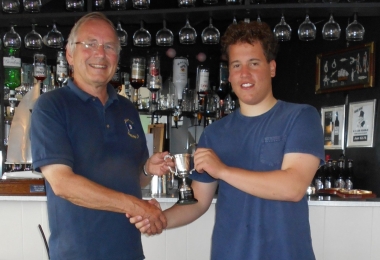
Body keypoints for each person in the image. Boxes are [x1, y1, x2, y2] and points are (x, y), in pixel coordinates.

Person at [130, 21, 325, 260]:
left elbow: (293, 187)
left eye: (254, 63)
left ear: (271, 68)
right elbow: (198, 202)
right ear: (229, 75)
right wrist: (160, 220)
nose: (245, 74)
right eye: (236, 65)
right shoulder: (215, 133)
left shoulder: (301, 117)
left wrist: (222, 170)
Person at [30, 12, 172, 260]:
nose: (100, 53)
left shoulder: (127, 109)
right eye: (90, 44)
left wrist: (148, 169)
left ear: (117, 58)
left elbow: (136, 180)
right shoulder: (51, 106)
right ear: (69, 54)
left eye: (109, 46)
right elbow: (63, 184)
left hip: (129, 253)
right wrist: (135, 205)